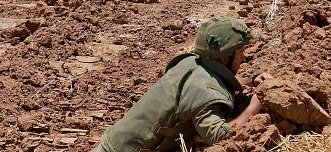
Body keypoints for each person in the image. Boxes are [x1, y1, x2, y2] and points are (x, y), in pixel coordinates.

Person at [91, 16, 265, 152]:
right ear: (225, 58)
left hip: (113, 142)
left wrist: (251, 80)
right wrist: (254, 107)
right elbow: (219, 136)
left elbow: (218, 80)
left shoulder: (193, 64)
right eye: (240, 52)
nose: (244, 57)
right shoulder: (203, 91)